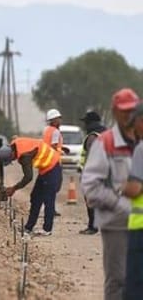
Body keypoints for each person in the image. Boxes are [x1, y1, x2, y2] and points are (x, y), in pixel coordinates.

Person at [82, 88, 139, 300]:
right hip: (116, 223)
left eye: (132, 111)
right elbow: (91, 187)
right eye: (124, 111)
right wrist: (120, 202)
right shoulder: (105, 142)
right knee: (118, 280)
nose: (128, 116)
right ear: (115, 112)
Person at [0, 136, 62, 236]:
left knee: (48, 199)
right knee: (35, 197)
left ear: (12, 152)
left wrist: (14, 188)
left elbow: (28, 177)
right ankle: (29, 227)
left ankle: (47, 229)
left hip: (52, 167)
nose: (13, 160)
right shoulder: (15, 143)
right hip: (45, 169)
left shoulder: (25, 156)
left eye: (11, 158)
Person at [121, 103, 143, 300]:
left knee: (135, 287)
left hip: (140, 228)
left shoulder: (141, 150)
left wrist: (121, 186)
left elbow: (135, 189)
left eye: (134, 123)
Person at [79, 110, 107, 235]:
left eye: (85, 122)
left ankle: (93, 227)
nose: (84, 125)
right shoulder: (107, 133)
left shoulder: (92, 136)